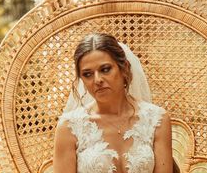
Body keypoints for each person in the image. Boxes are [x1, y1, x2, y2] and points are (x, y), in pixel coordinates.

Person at [53, 33, 173, 173]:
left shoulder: (156, 119)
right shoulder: (69, 127)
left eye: (105, 69)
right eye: (87, 74)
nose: (97, 80)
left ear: (125, 68)